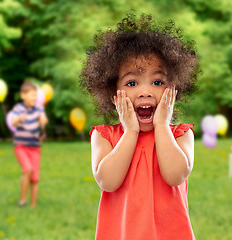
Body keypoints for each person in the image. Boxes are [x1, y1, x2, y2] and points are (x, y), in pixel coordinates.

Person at [80, 13, 200, 239]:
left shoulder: (181, 134)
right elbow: (108, 181)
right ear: (112, 91)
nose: (145, 91)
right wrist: (131, 131)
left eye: (157, 82)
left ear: (172, 89)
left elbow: (175, 175)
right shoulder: (104, 136)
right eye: (132, 82)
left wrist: (163, 125)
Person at [11, 81, 48, 208]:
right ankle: (22, 201)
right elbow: (13, 123)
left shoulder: (38, 109)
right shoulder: (18, 109)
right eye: (31, 95)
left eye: (35, 95)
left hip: (35, 148)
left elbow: (43, 119)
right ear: (23, 95)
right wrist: (19, 119)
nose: (34, 98)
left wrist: (43, 120)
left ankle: (33, 206)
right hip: (21, 146)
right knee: (28, 169)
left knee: (35, 177)